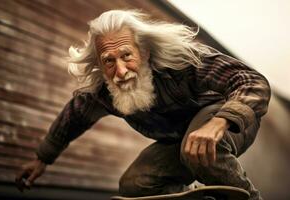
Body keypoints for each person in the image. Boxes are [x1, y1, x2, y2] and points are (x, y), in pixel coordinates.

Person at [15, 10, 270, 200]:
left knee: (194, 146)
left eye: (126, 55)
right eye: (109, 61)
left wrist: (220, 121)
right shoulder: (102, 92)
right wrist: (42, 159)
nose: (121, 71)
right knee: (135, 184)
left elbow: (252, 80)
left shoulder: (183, 62)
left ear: (144, 52)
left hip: (229, 123)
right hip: (180, 143)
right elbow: (73, 118)